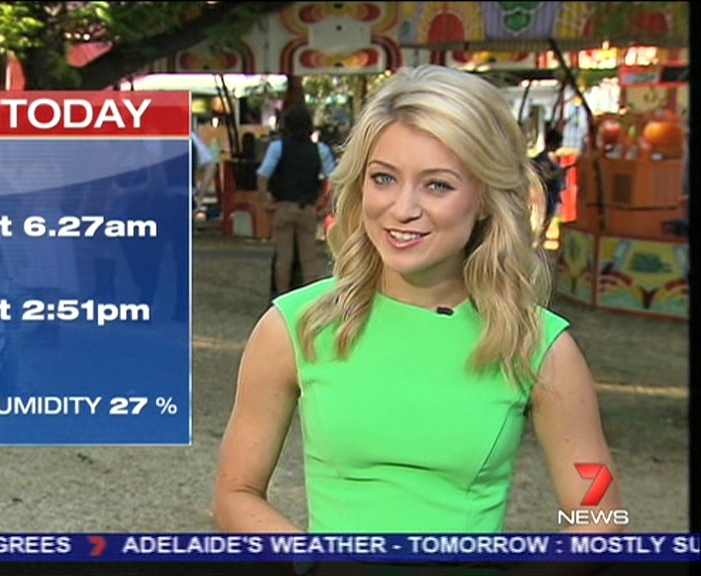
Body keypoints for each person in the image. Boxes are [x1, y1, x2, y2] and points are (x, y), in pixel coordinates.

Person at [213, 65, 623, 534]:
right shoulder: (296, 325)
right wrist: (313, 562)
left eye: (438, 185)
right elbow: (235, 493)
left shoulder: (537, 345)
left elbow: (600, 514)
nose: (403, 209)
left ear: (485, 197)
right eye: (384, 178)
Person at [257, 104, 337, 297]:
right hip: (308, 207)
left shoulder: (278, 147)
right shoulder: (320, 150)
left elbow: (263, 174)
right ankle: (310, 301)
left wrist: (264, 200)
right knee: (308, 259)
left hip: (284, 206)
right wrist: (326, 204)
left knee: (283, 259)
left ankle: (282, 299)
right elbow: (333, 179)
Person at [532, 127, 569, 228]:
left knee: (550, 222)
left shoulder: (550, 158)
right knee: (546, 221)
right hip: (548, 196)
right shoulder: (543, 159)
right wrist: (560, 172)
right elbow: (545, 176)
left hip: (552, 195)